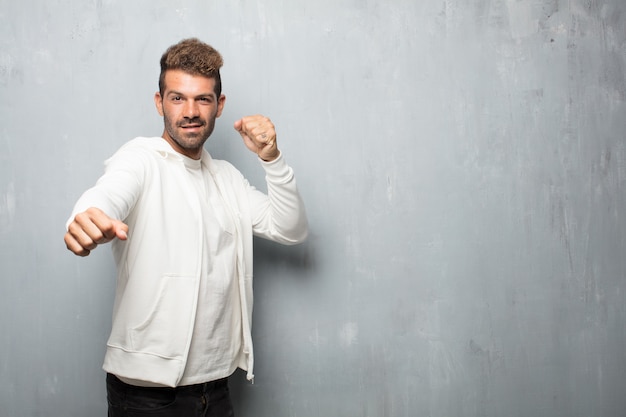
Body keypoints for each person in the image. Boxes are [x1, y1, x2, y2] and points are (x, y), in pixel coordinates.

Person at [64, 38, 308, 417]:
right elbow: (108, 193)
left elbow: (290, 228)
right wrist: (86, 216)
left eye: (203, 99)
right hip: (146, 397)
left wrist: (272, 159)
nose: (191, 111)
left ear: (219, 105)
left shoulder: (226, 179)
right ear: (160, 102)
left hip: (217, 387)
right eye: (177, 98)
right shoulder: (141, 159)